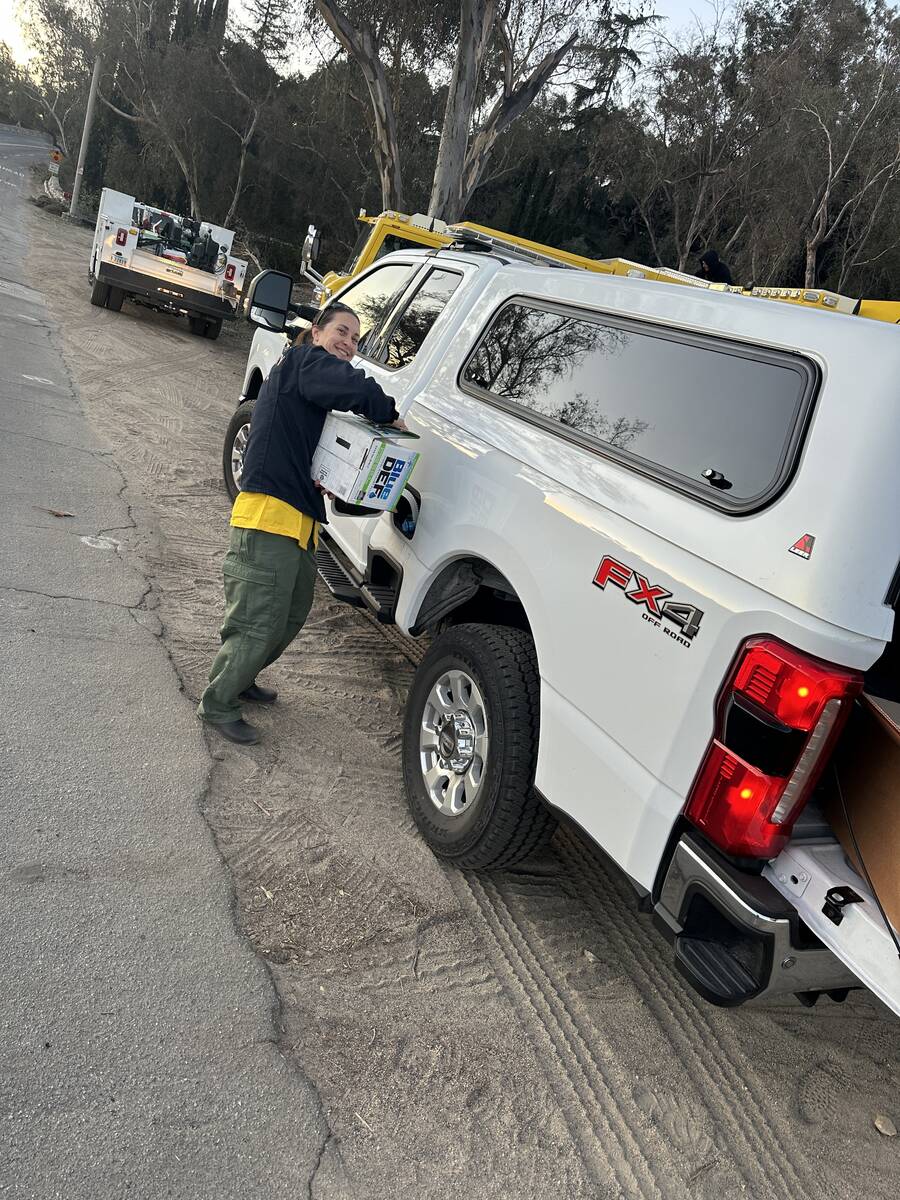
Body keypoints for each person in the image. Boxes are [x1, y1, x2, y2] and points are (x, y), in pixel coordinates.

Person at [198, 303, 401, 745]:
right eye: (342, 331)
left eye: (355, 339)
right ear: (315, 331)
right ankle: (218, 703)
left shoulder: (302, 375)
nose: (349, 343)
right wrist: (387, 412)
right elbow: (353, 387)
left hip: (297, 523)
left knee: (289, 614)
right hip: (268, 520)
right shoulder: (307, 360)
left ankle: (243, 676)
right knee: (257, 620)